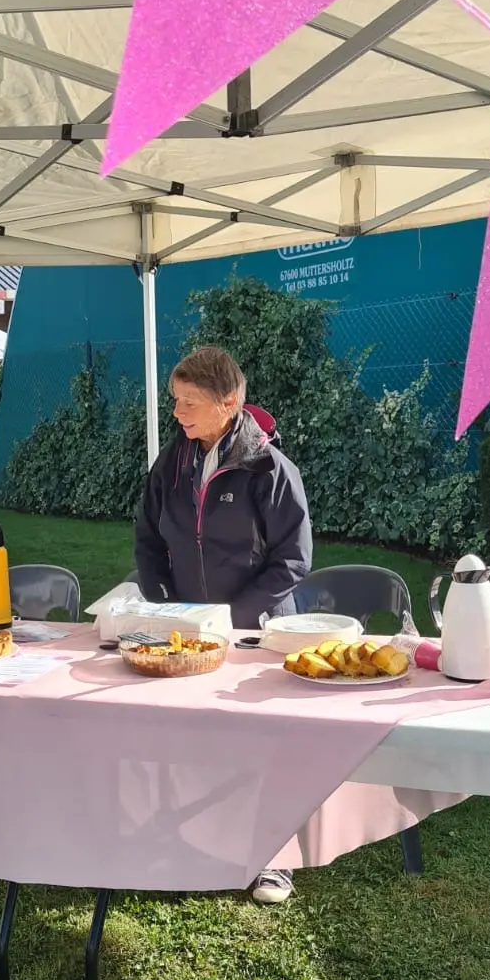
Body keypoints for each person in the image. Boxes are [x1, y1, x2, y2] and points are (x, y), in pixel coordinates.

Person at [134, 346, 312, 906]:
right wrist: (166, 605)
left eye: (188, 403)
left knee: (265, 746)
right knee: (191, 738)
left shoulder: (271, 471)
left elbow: (293, 559)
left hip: (258, 634)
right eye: (175, 401)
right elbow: (148, 537)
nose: (178, 413)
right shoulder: (174, 461)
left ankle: (274, 860)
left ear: (228, 403)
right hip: (188, 633)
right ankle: (190, 843)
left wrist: (229, 622)